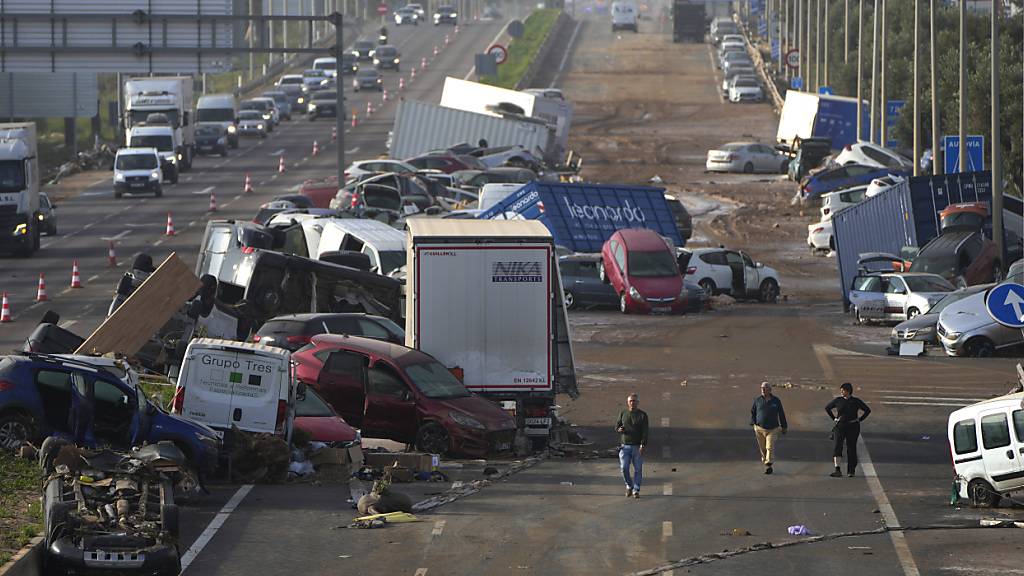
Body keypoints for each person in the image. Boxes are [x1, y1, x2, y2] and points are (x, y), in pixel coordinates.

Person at [826, 382, 871, 477]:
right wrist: (834, 418)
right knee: (837, 446)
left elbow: (867, 410)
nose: (841, 392)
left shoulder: (855, 401)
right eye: (841, 390)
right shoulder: (838, 400)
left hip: (853, 427)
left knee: (851, 448)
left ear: (848, 391)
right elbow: (827, 408)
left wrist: (860, 419)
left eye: (843, 390)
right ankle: (837, 469)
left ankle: (851, 470)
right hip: (840, 426)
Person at [616, 393, 648, 499]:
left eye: (634, 401)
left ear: (637, 402)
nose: (632, 403)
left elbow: (645, 431)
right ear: (627, 402)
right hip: (625, 446)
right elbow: (617, 425)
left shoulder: (642, 415)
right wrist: (619, 429)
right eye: (630, 401)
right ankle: (629, 486)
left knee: (638, 469)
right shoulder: (623, 413)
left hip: (637, 446)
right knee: (624, 468)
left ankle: (636, 490)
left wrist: (643, 445)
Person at [750, 381, 787, 475]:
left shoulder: (776, 401)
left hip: (773, 429)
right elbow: (753, 412)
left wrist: (784, 426)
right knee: (763, 448)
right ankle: (766, 461)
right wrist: (753, 423)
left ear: (770, 390)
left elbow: (781, 414)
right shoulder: (757, 400)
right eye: (761, 387)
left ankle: (768, 465)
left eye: (765, 388)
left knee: (769, 447)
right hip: (759, 429)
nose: (762, 389)